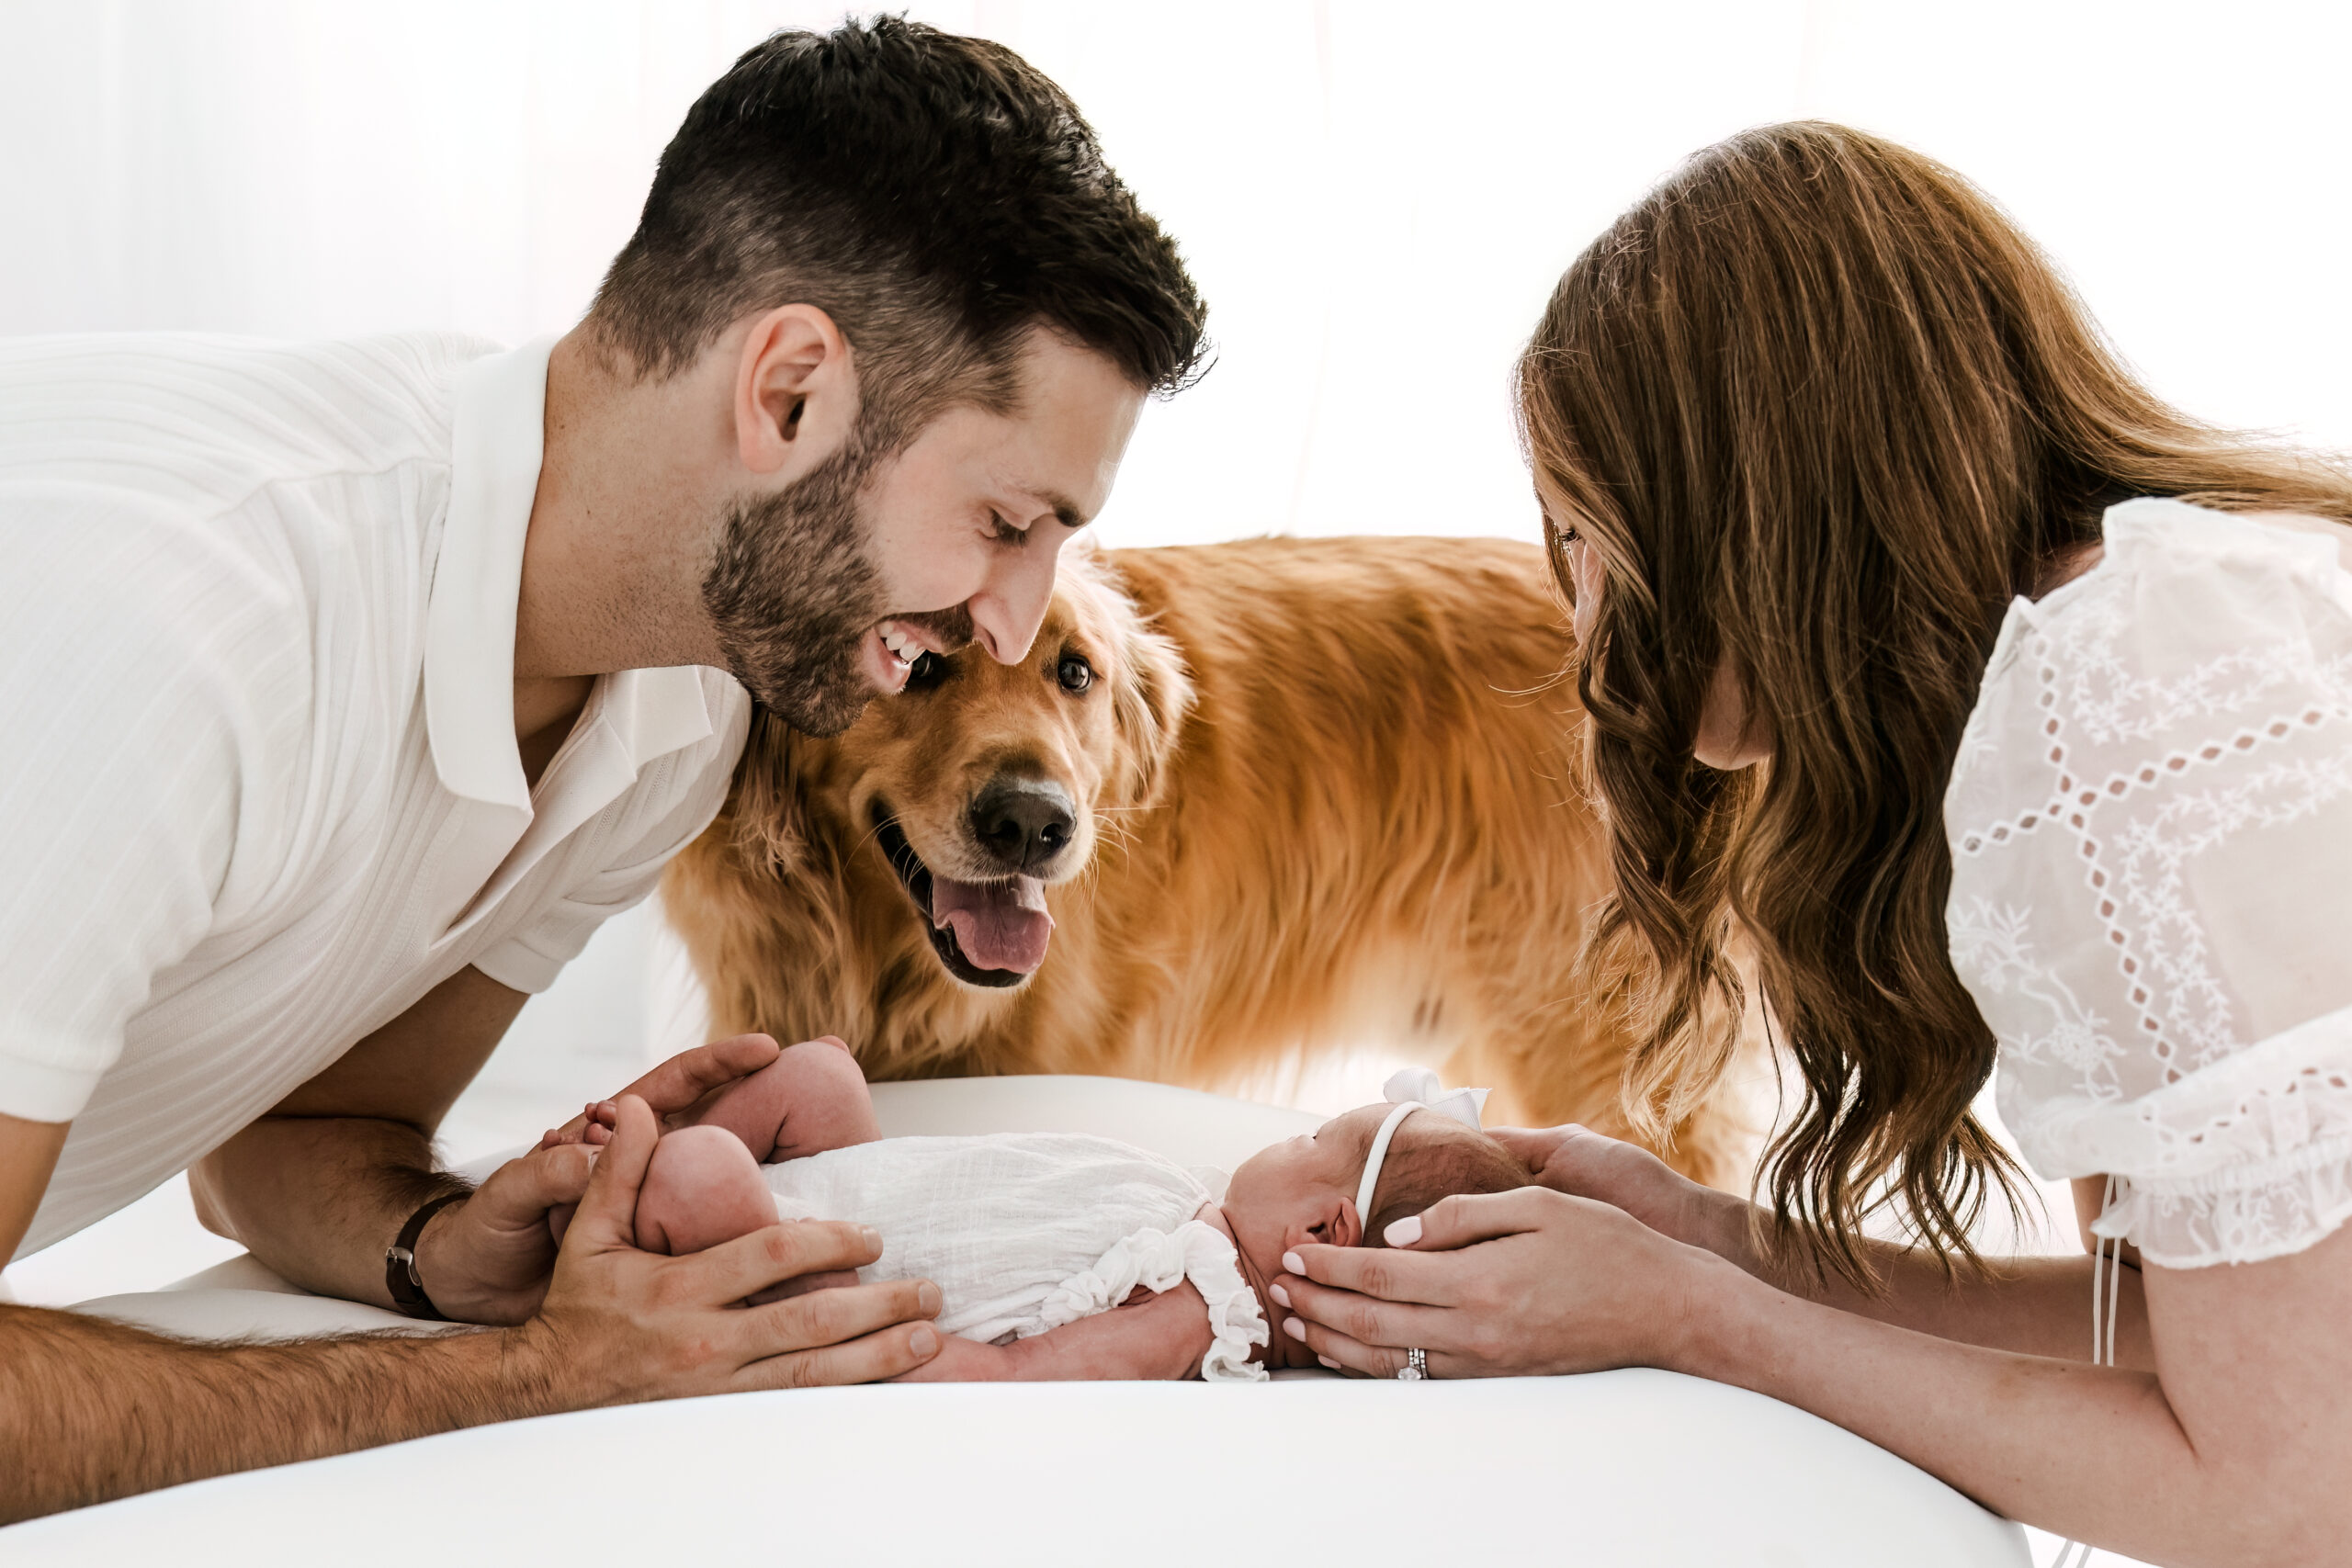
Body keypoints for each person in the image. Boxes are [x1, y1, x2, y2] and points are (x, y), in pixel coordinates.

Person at [0, 17, 1204, 1521]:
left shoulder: (671, 720)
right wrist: (534, 1373)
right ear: (788, 395)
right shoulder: (196, 628)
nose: (1016, 618)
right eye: (1008, 522)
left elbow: (287, 1140)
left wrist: (442, 1240)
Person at [1272, 122, 2352, 1566]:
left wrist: (1698, 1317)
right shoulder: (2141, 627)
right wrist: (1708, 1235)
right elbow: (2185, 1336)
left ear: (1750, 486)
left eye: (1587, 534)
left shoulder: (2126, 694)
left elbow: (2292, 1493)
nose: (1582, 622)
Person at [544, 1049, 1526, 1382]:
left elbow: (1021, 1375)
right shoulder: (1207, 1226)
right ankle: (628, 1196)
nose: (1289, 1140)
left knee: (709, 1171)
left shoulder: (1198, 1308)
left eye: (1312, 1140)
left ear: (1319, 1235)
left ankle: (616, 1215)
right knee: (820, 1073)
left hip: (840, 1290)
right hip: (882, 1193)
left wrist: (851, 1331)